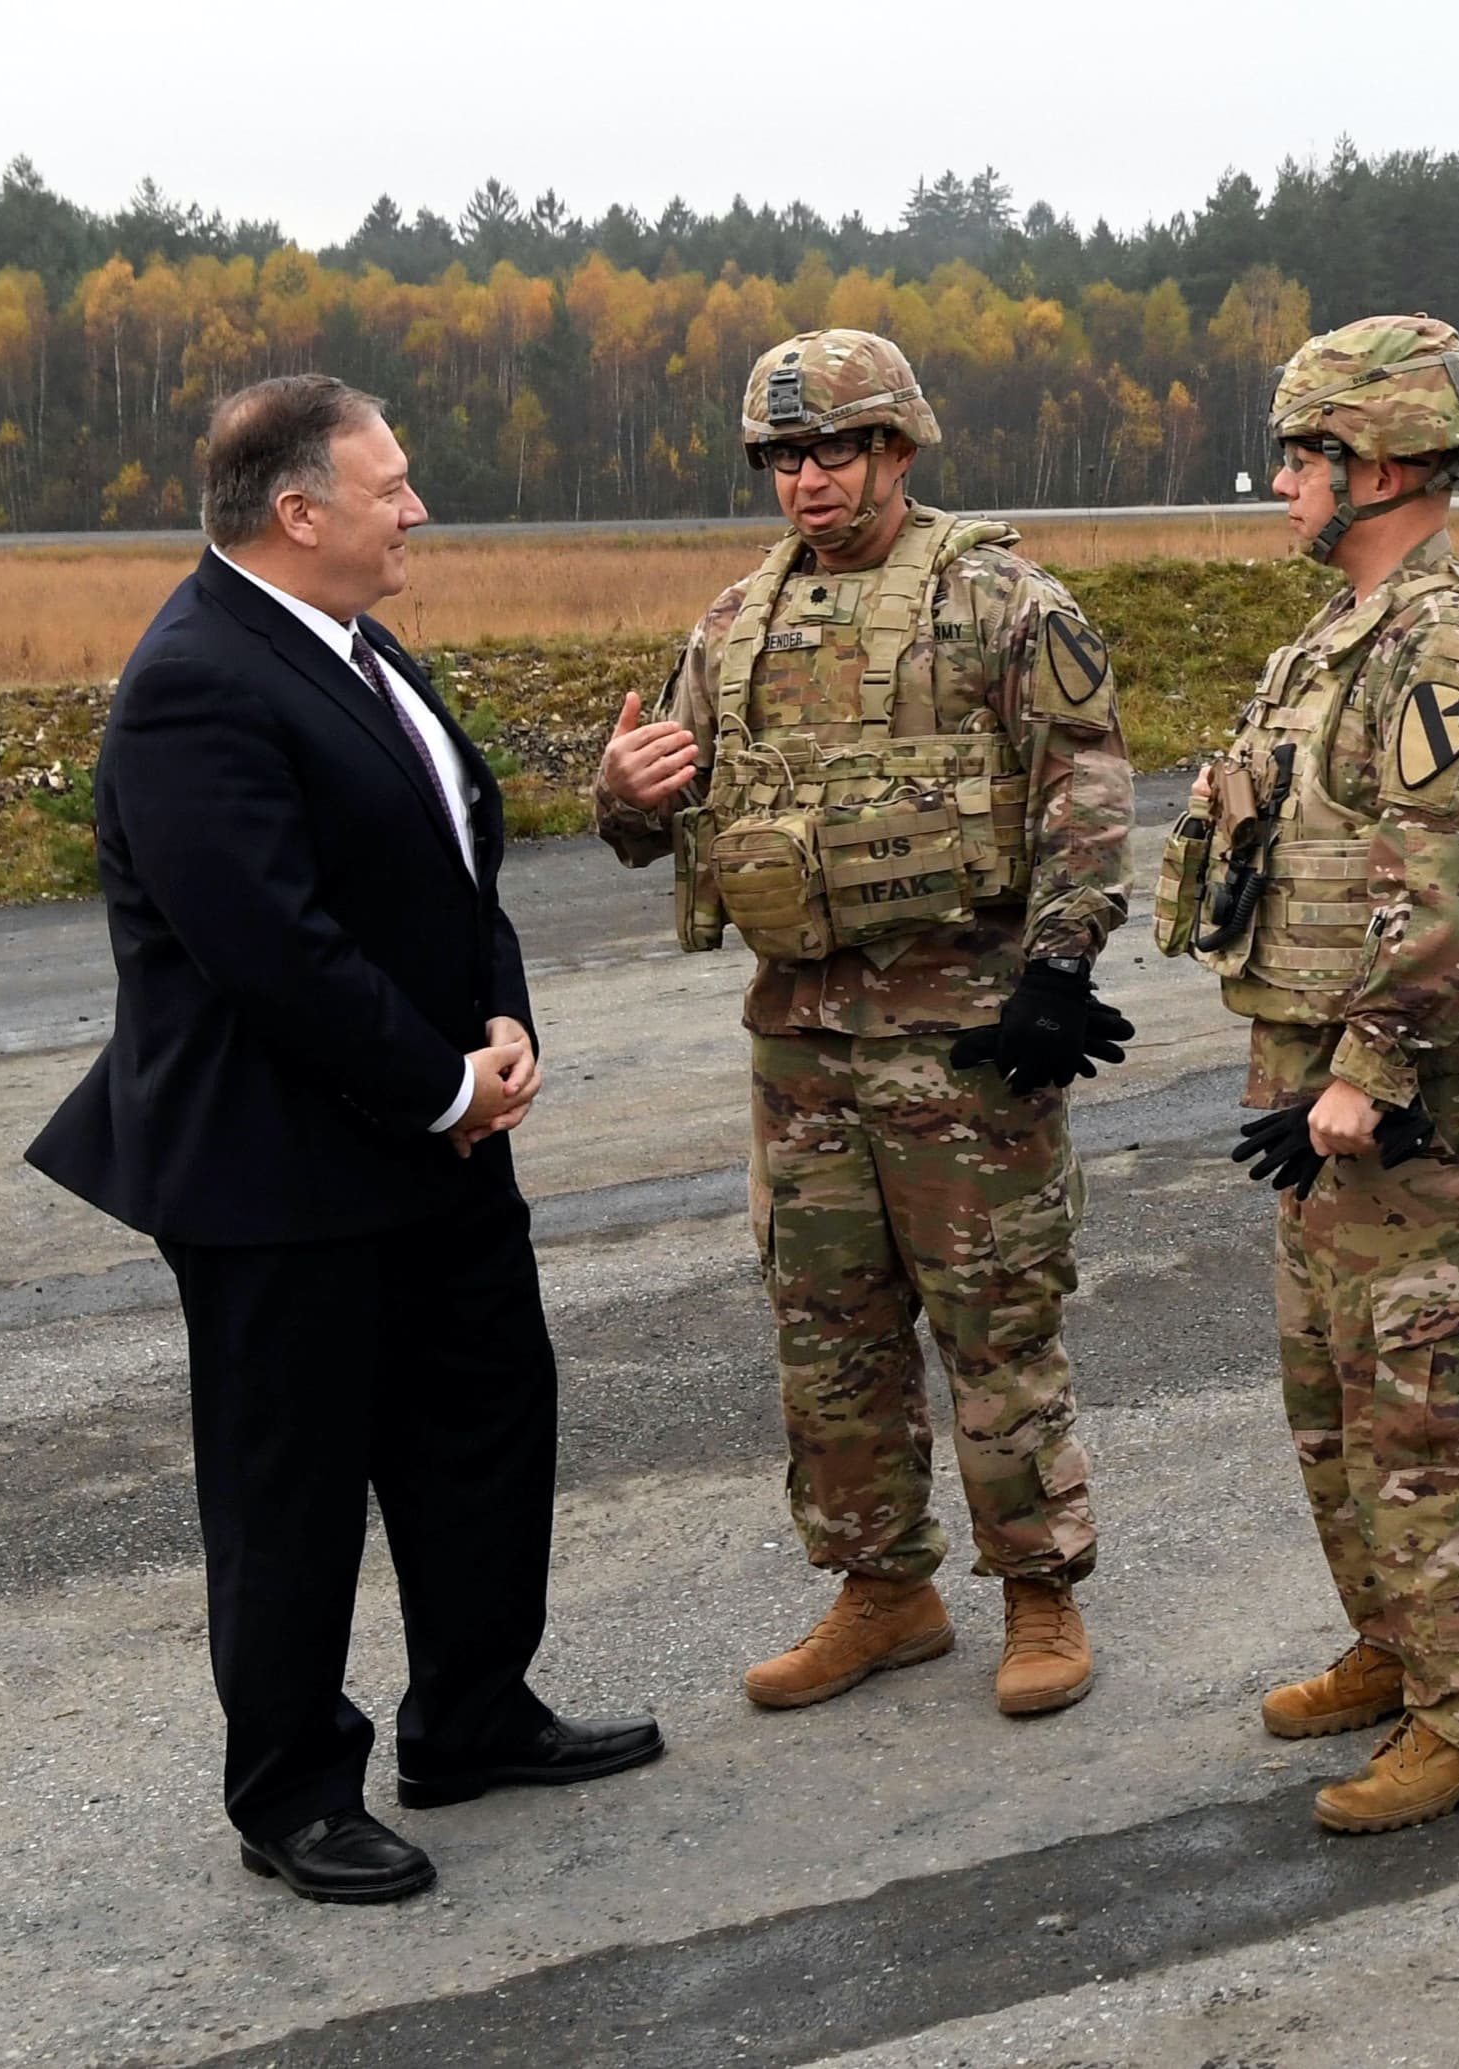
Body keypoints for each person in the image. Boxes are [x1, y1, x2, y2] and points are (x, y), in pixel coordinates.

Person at [28, 375, 661, 1904]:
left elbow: (456, 875)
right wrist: (445, 1088)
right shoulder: (194, 680)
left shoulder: (358, 652)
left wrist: (499, 1026)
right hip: (277, 1171)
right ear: (298, 511)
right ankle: (292, 1790)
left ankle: (471, 1713)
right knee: (291, 1491)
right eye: (392, 486)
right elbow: (270, 948)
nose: (416, 509)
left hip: (435, 1139)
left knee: (484, 1431)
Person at [592, 329, 1135, 1718]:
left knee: (995, 1319)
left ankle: (1038, 1593)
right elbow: (649, 825)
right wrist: (626, 795)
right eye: (781, 457)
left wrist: (1059, 969)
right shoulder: (731, 625)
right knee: (826, 1329)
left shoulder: (1003, 602)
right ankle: (881, 1589)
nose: (806, 480)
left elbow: (1083, 788)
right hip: (803, 1040)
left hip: (962, 1034)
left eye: (832, 448)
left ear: (896, 448)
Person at [1175, 313, 1459, 1834]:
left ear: (1387, 463)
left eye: (1305, 453)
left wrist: (1373, 1064)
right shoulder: (1340, 635)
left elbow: (1455, 874)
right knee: (1333, 1397)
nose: (1281, 478)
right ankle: (1403, 1645)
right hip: (1314, 1076)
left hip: (1408, 1100)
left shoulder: (1445, 640)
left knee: (1427, 1408)